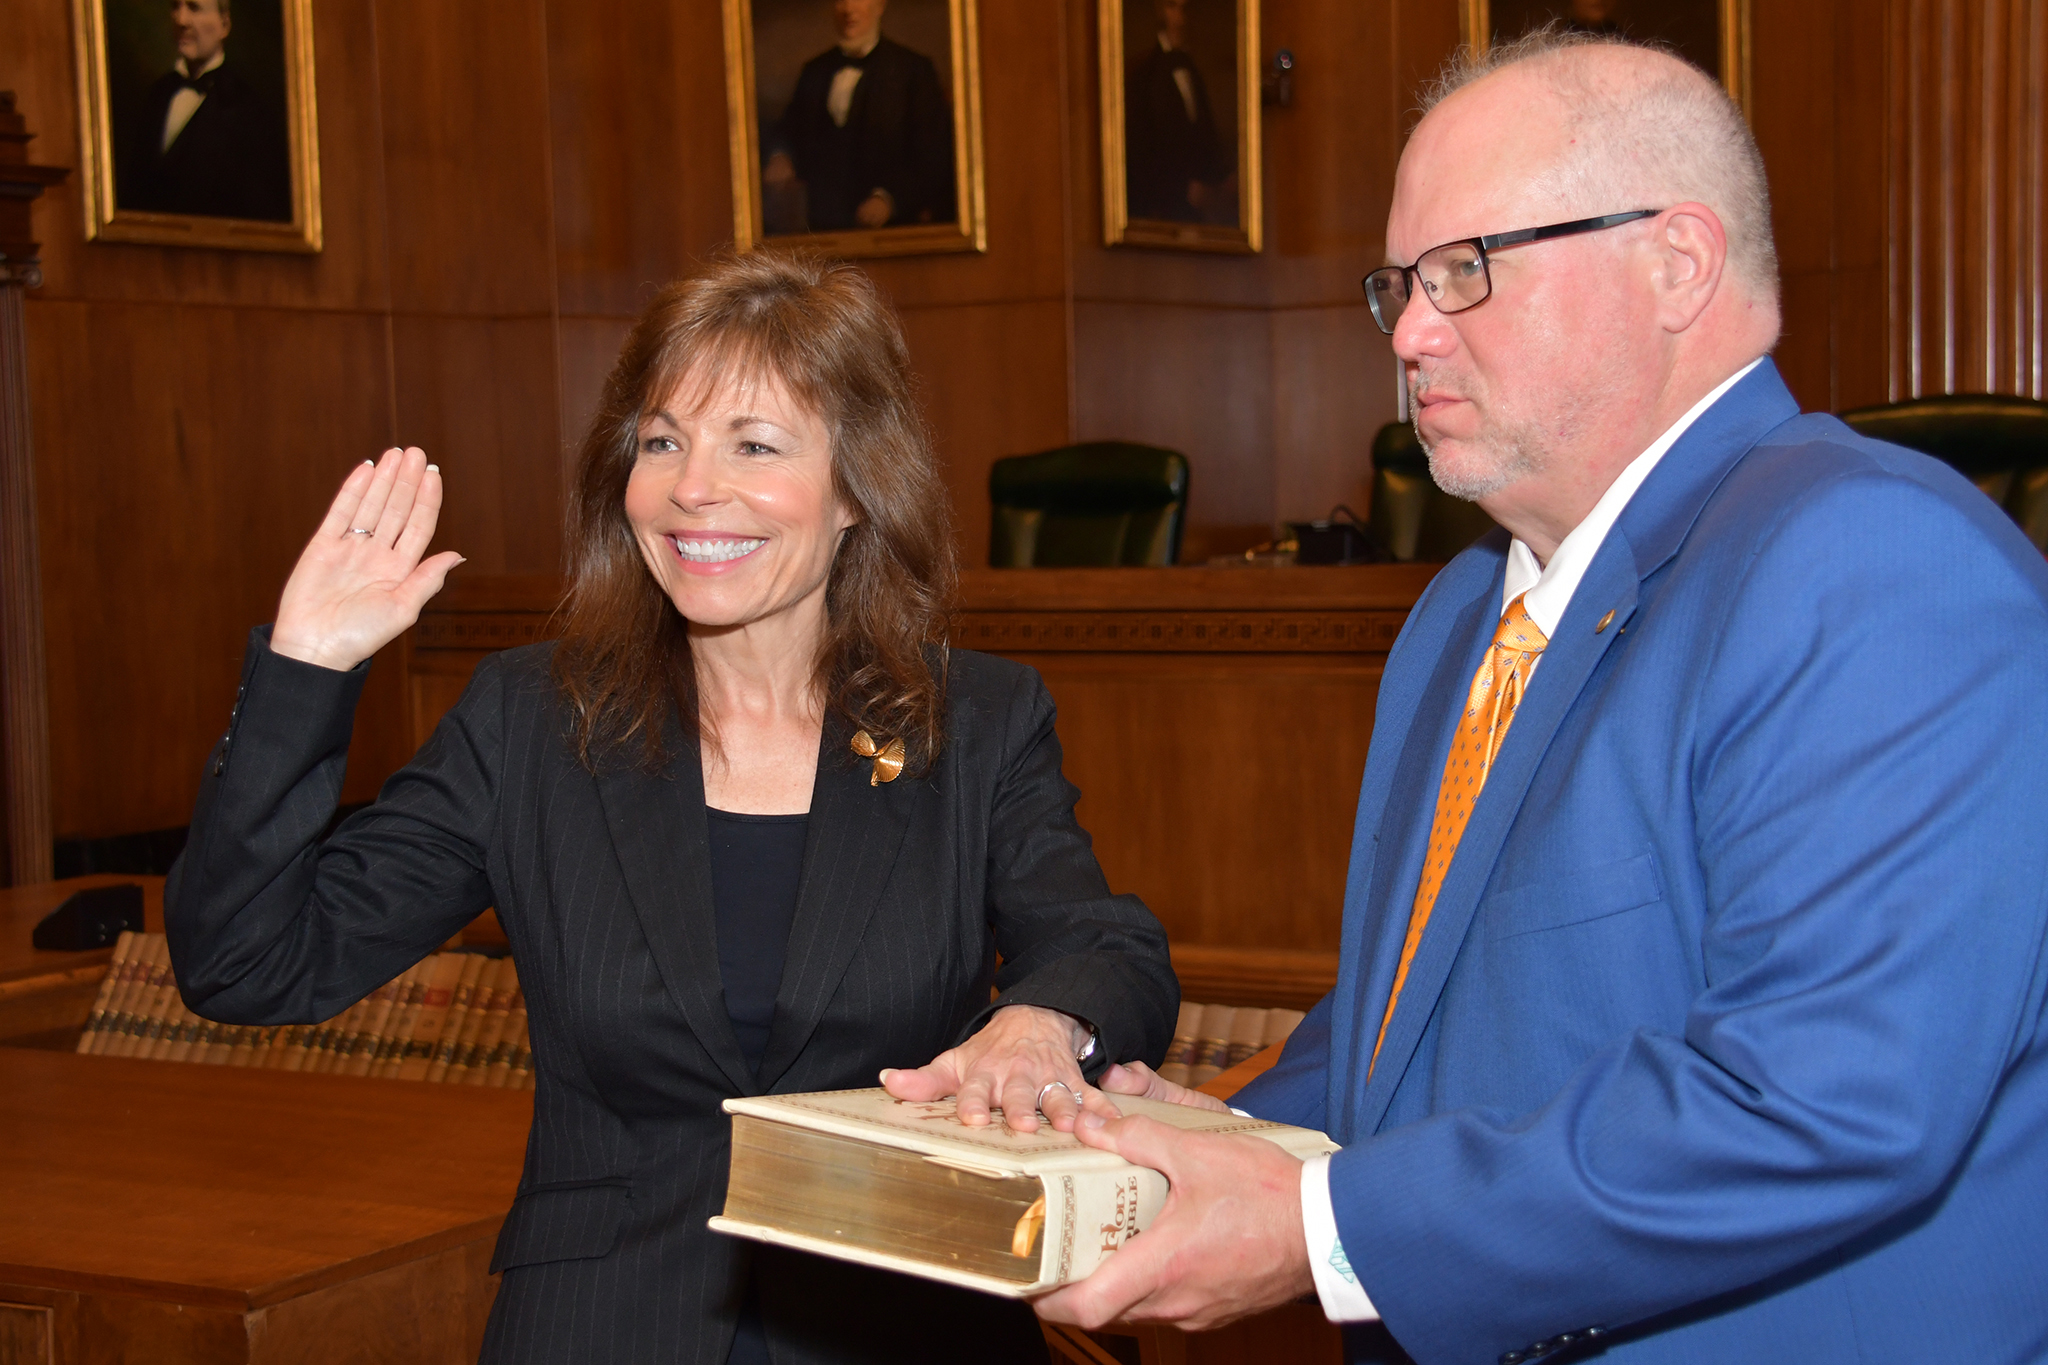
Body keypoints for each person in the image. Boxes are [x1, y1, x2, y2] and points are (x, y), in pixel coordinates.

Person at [1035, 29, 2048, 1365]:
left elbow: (1821, 1096)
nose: (1407, 332)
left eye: (1466, 271)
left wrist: (1319, 1222)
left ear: (1677, 263)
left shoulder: (1869, 561)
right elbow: (1427, 1022)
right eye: (1397, 283)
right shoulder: (1466, 612)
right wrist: (1187, 1139)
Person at [165, 252, 1178, 1365]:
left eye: (754, 444)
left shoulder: (973, 717)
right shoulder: (530, 720)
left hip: (901, 1324)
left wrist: (1038, 1021)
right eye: (662, 442)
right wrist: (306, 669)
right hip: (603, 1326)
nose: (693, 487)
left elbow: (1104, 947)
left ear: (855, 488)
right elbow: (247, 963)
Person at [763, 0, 954, 233]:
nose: (848, 9)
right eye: (840, 1)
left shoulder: (913, 70)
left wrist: (889, 200)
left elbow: (933, 156)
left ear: (880, 5)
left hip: (893, 231)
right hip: (824, 230)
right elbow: (790, 130)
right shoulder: (814, 71)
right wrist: (781, 155)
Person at [117, 0, 292, 221]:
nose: (181, 20)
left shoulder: (252, 114)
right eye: (175, 6)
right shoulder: (153, 97)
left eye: (194, 8)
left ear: (224, 25)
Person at [1124, 0, 1232, 223]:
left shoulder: (1193, 71)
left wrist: (1218, 182)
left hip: (1198, 212)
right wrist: (1183, 189)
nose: (1181, 19)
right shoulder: (1144, 75)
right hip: (1162, 209)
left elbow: (1205, 135)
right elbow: (1141, 152)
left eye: (1186, 9)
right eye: (1174, 8)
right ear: (1160, 11)